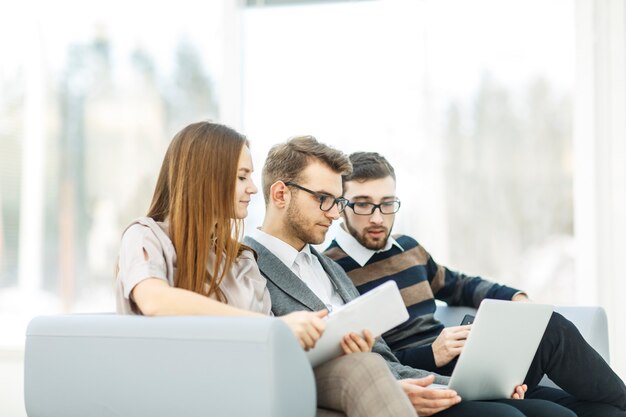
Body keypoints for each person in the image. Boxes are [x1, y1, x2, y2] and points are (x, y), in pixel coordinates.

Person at [244, 135, 579, 417]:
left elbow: (387, 355)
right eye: (324, 200)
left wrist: (464, 385)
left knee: (553, 412)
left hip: (405, 381)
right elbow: (266, 360)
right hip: (370, 392)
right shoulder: (246, 266)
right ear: (280, 194)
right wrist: (396, 387)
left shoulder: (326, 266)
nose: (334, 213)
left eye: (337, 201)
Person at [114, 122, 418, 417]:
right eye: (241, 177)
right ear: (205, 178)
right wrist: (273, 328)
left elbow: (273, 347)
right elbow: (155, 300)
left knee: (363, 371)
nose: (252, 189)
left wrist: (338, 345)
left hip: (255, 380)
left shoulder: (241, 260)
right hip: (192, 387)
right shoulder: (147, 236)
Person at [324, 151, 626, 417]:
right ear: (342, 206)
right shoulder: (333, 270)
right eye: (363, 205)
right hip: (423, 375)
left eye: (387, 204)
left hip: (465, 361)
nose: (377, 218)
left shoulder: (408, 249)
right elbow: (368, 362)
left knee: (599, 401)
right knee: (554, 367)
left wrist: (516, 298)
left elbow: (460, 285)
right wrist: (431, 352)